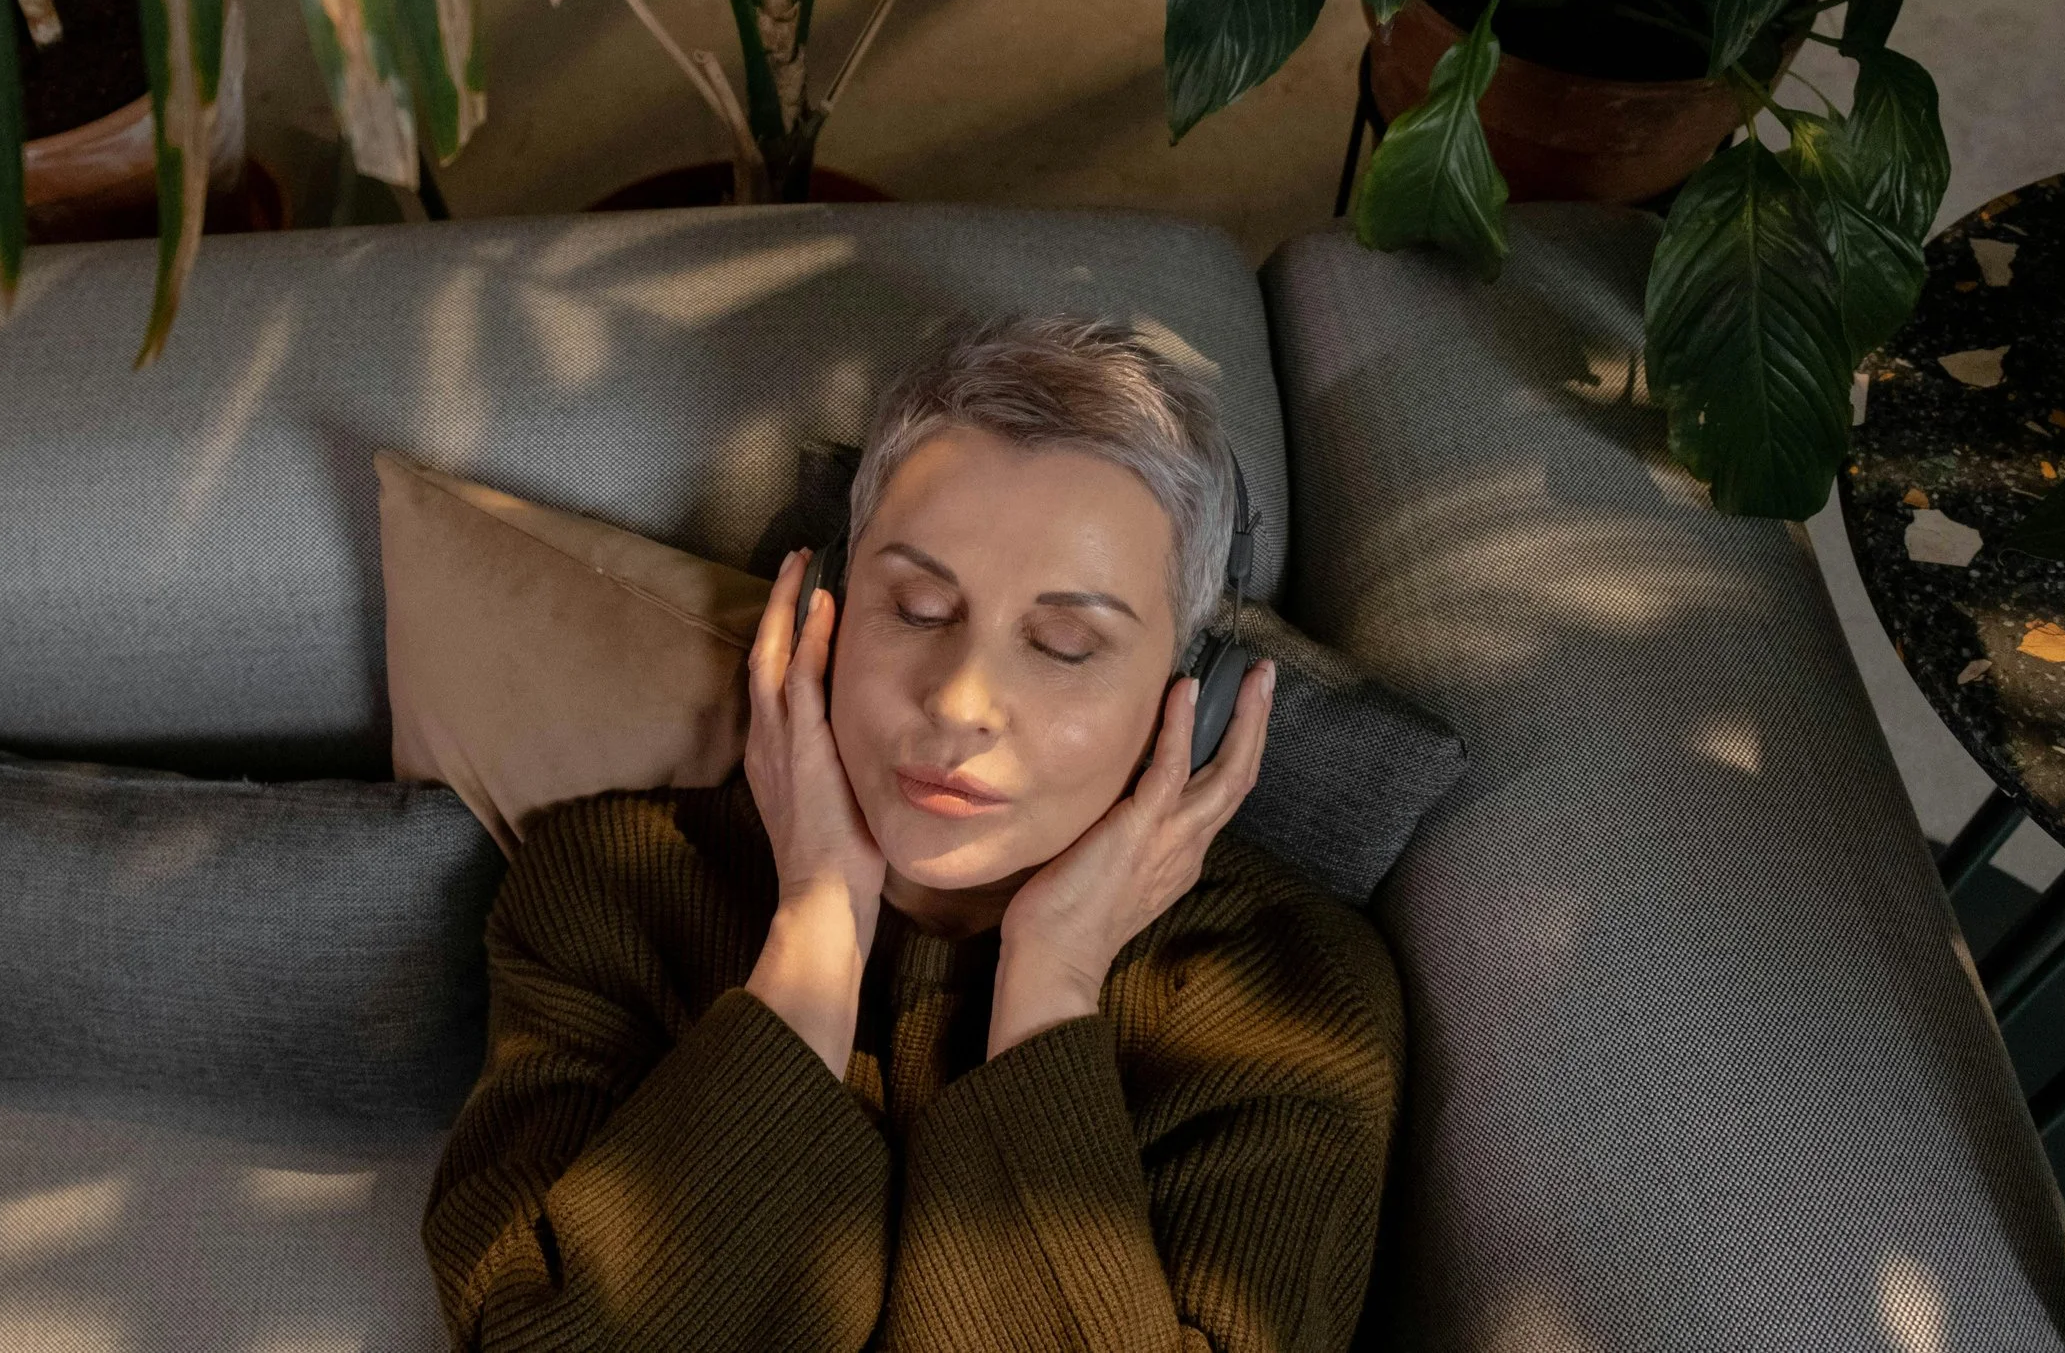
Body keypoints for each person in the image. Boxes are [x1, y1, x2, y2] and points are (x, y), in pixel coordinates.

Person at [423, 314, 1405, 1352]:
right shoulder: (607, 888)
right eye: (922, 607)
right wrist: (814, 937)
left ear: (1187, 698)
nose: (961, 699)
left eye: (1065, 644)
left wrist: (1052, 984)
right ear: (827, 616)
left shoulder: (1288, 991)